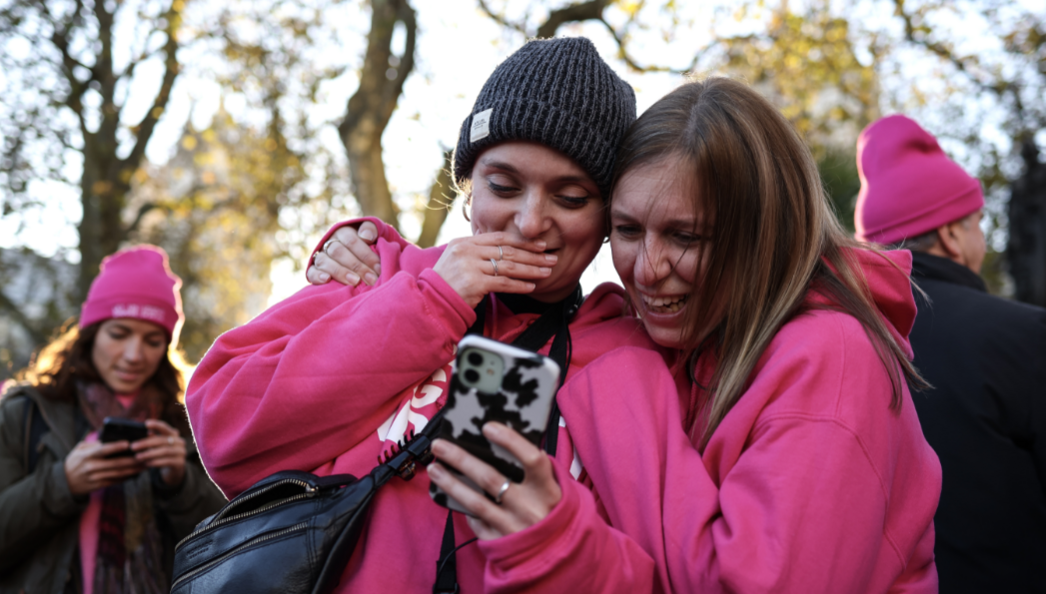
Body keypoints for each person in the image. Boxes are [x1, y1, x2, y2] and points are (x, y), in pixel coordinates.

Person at [313, 78, 943, 592]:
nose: (647, 269)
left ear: (764, 233)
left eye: (686, 236)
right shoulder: (674, 340)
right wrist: (379, 254)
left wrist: (555, 542)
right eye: (630, 231)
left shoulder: (829, 360)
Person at [186, 37, 677, 593]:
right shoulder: (380, 276)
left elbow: (664, 574)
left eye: (570, 197)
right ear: (468, 188)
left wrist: (559, 538)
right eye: (503, 186)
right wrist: (430, 301)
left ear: (609, 217)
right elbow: (224, 429)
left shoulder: (631, 358)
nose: (530, 221)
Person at [855, 114, 1046, 593]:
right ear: (951, 235)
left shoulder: (831, 342)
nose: (983, 237)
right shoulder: (1026, 336)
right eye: (979, 222)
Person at [0, 246, 226, 594]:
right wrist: (62, 484)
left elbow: (225, 547)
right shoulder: (25, 413)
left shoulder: (189, 424)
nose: (134, 355)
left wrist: (180, 483)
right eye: (119, 334)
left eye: (152, 340)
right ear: (92, 333)